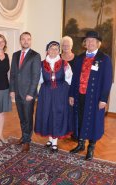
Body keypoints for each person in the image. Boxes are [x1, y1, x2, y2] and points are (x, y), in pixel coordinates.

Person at [69, 30, 112, 160]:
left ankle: (91, 148)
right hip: (80, 95)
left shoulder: (104, 59)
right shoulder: (80, 57)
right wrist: (71, 94)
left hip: (95, 97)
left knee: (94, 121)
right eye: (88, 40)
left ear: (98, 43)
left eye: (93, 41)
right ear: (85, 43)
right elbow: (74, 78)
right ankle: (81, 144)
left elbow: (107, 80)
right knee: (80, 119)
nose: (90, 43)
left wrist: (103, 99)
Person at [34, 41, 73, 152]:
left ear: (59, 51)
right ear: (47, 50)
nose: (54, 51)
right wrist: (38, 93)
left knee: (57, 115)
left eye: (56, 49)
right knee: (47, 114)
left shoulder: (64, 64)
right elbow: (39, 80)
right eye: (51, 48)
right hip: (46, 92)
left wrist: (68, 94)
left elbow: (70, 79)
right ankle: (50, 139)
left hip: (60, 93)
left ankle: (54, 142)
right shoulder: (42, 64)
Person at [10, 32, 41, 152]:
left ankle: (27, 141)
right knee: (21, 117)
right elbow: (13, 73)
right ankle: (24, 136)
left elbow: (36, 76)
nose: (26, 41)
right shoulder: (15, 55)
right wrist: (12, 89)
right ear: (20, 41)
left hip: (28, 94)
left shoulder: (35, 56)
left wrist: (31, 93)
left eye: (28, 39)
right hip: (17, 92)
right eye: (23, 39)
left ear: (31, 41)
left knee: (28, 117)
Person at [60, 36, 77, 141]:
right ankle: (62, 131)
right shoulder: (57, 57)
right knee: (61, 110)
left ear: (71, 46)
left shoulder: (77, 58)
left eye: (68, 45)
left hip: (73, 88)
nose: (65, 47)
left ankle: (74, 132)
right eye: (63, 45)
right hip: (60, 89)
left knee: (72, 110)